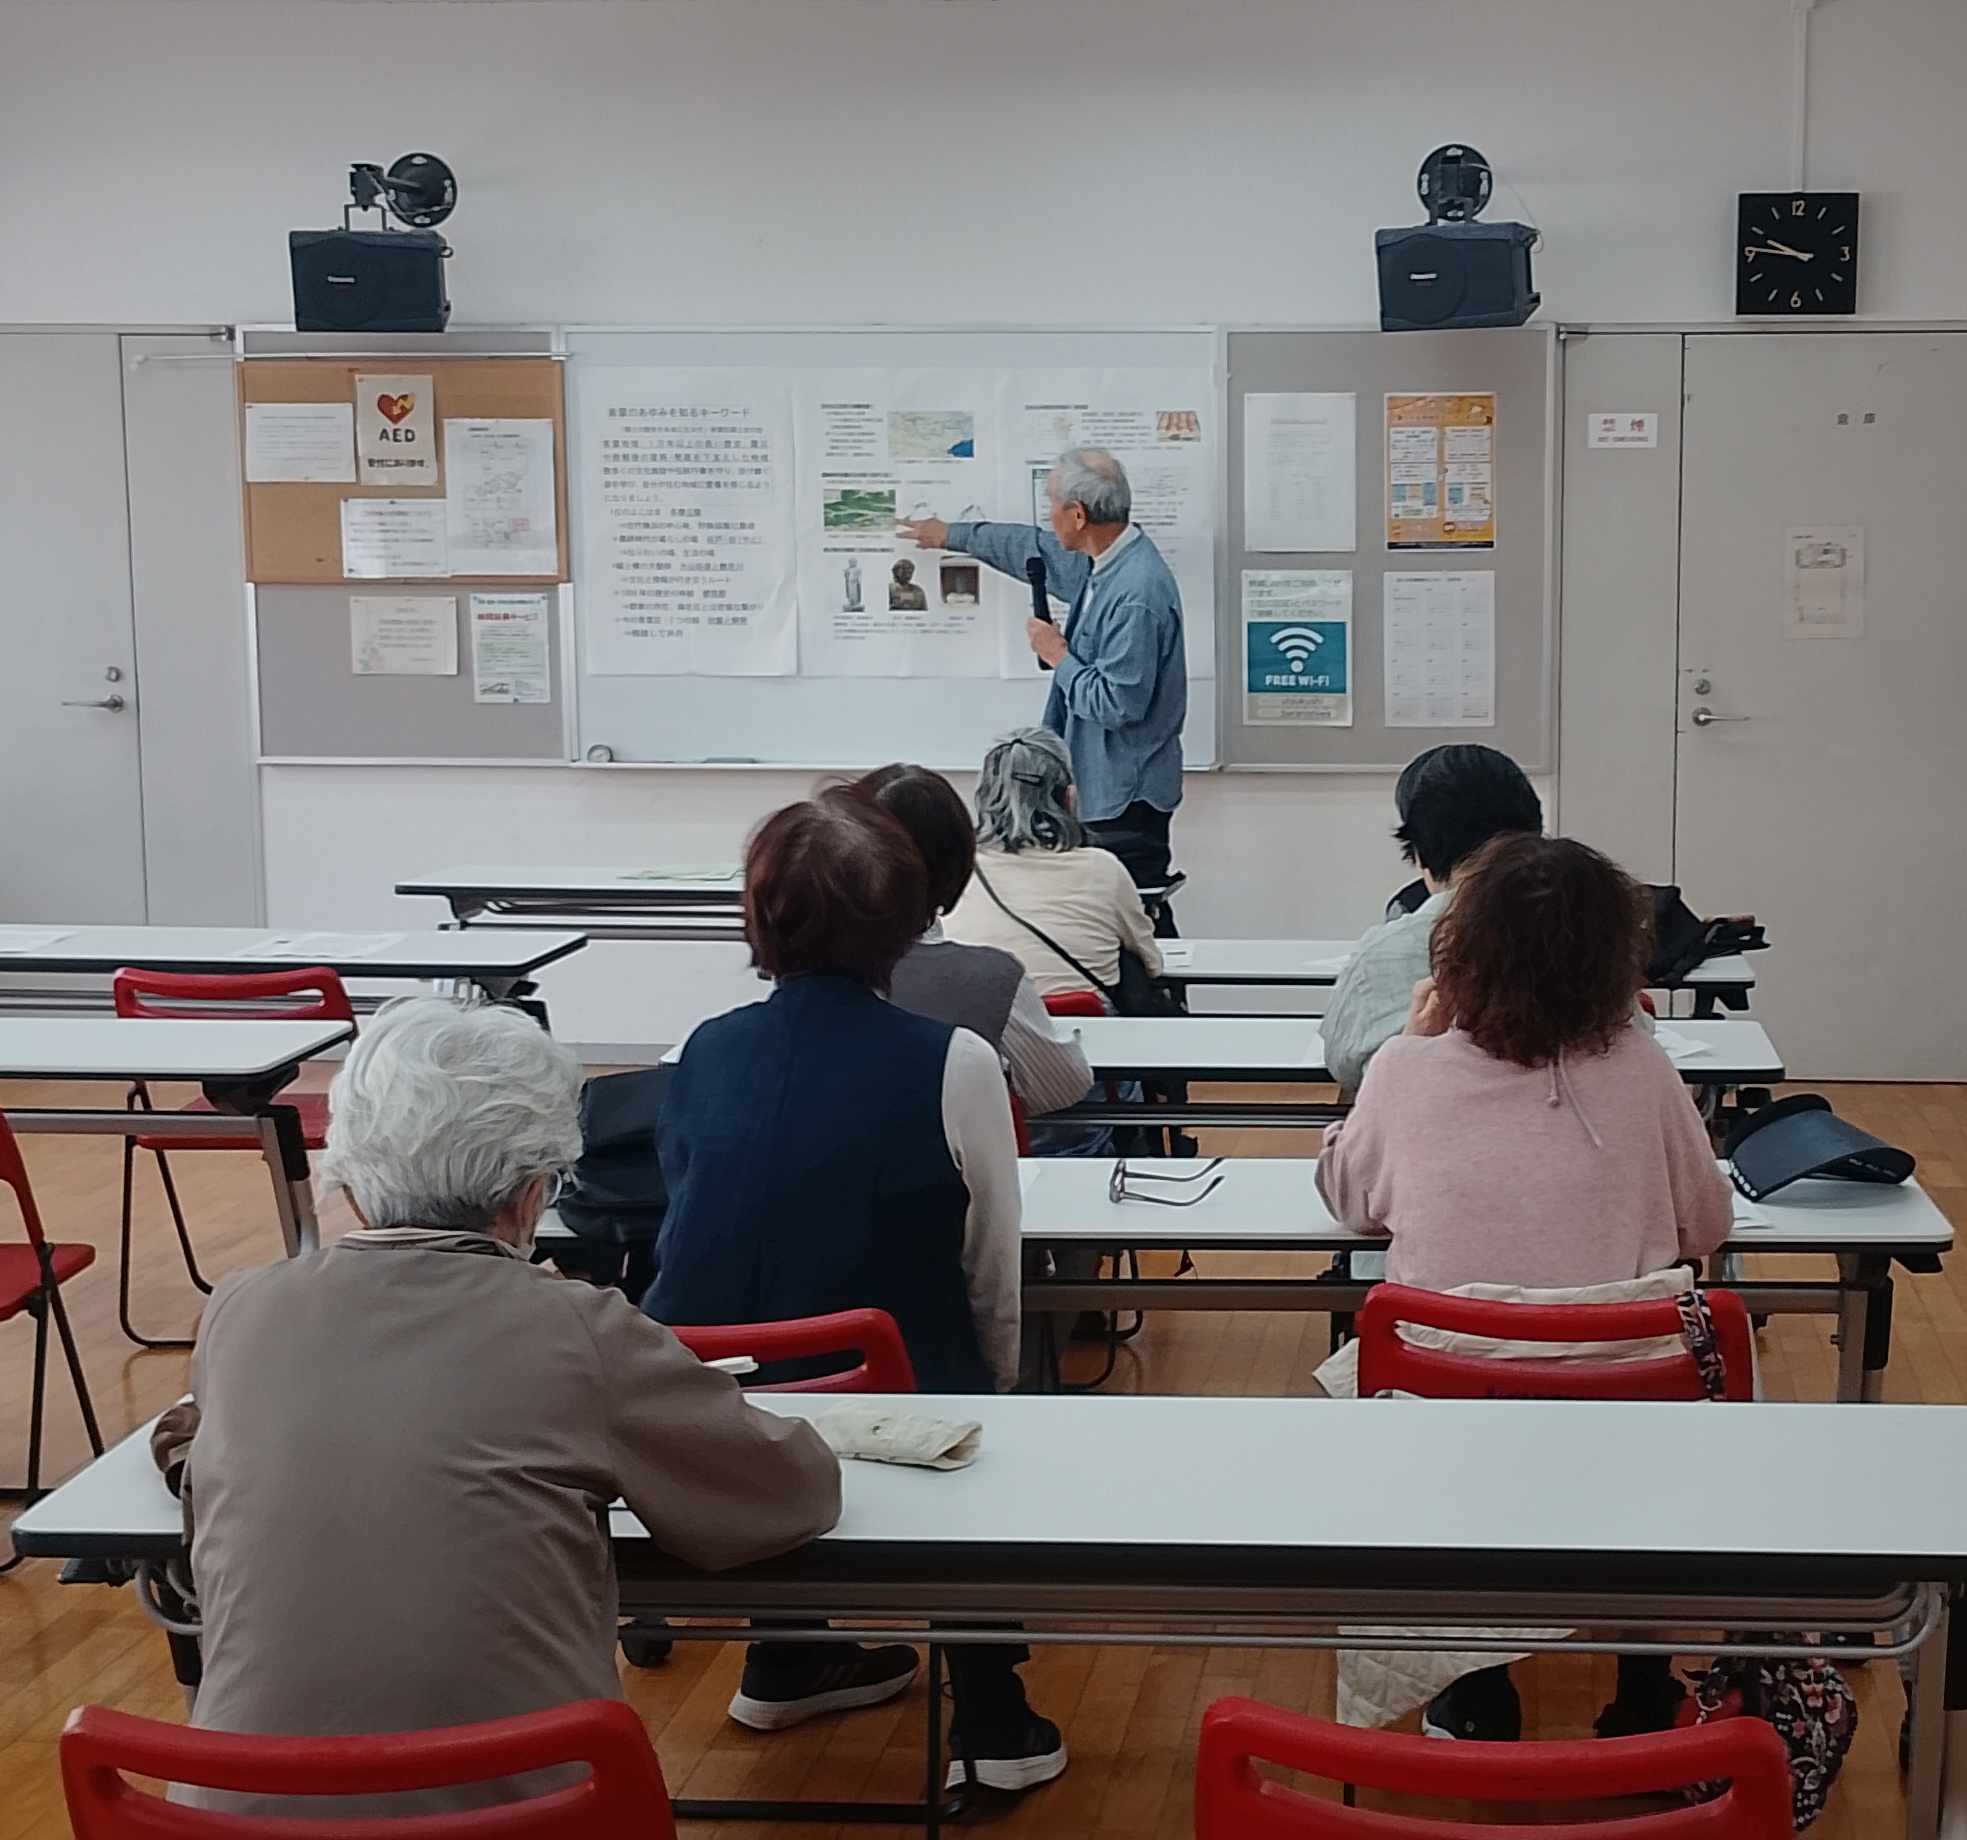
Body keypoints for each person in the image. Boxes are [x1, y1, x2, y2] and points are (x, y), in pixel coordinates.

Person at [149, 997, 840, 1820]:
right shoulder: (577, 1327)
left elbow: (189, 1434)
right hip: (521, 1814)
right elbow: (788, 1496)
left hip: (232, 1819)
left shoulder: (242, 1307)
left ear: (351, 1178)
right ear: (532, 1191)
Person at [644, 791, 1067, 1795]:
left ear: (758, 920)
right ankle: (992, 1718)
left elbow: (690, 1217)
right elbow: (989, 1261)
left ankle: (786, 1655)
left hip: (711, 1403)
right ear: (909, 920)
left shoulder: (700, 1048)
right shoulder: (953, 1059)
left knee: (778, 1335)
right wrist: (995, 1388)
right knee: (962, 1382)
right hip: (893, 1399)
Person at [1315, 834, 1734, 1744]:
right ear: (1616, 961)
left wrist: (1410, 1043)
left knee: (1450, 1419)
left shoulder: (1405, 1068)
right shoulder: (1644, 1070)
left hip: (1451, 1418)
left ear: (1460, 950)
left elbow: (1350, 1203)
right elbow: (1706, 1226)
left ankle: (1478, 1689)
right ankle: (1643, 1688)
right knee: (1647, 1425)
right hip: (1625, 1419)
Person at [899, 447, 1186, 888]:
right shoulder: (1103, 563)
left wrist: (1057, 656)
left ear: (1077, 515)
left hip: (1124, 804)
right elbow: (1028, 548)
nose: (1048, 515)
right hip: (1102, 793)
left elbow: (1117, 704)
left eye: (1052, 503)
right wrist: (952, 535)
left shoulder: (1136, 594)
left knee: (1128, 916)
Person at [851, 762, 1093, 1120]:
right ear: (959, 863)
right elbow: (1061, 1089)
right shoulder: (992, 977)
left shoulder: (802, 975)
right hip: (954, 1154)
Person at [1322, 744, 1543, 1095]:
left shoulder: (1384, 953)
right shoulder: (1588, 928)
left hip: (1431, 1124)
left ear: (1419, 852)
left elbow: (1343, 1063)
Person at [944, 727, 1162, 1001]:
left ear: (984, 798)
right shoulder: (1104, 870)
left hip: (984, 1022)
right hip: (1090, 1024)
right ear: (1069, 799)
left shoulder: (956, 870)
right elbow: (1152, 964)